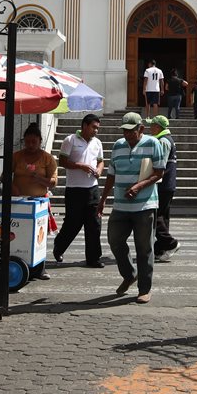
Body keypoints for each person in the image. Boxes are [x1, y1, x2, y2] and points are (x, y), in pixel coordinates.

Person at [98, 112, 164, 304]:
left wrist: (138, 186)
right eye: (125, 131)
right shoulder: (118, 145)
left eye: (131, 131)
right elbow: (111, 174)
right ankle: (129, 274)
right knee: (114, 240)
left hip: (145, 204)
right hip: (120, 205)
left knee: (144, 248)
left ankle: (144, 288)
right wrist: (103, 200)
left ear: (141, 129)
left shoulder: (153, 143)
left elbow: (159, 172)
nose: (127, 134)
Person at [54, 114, 105, 268]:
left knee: (94, 223)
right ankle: (59, 246)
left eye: (97, 128)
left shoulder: (97, 143)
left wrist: (99, 170)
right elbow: (62, 161)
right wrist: (80, 166)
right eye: (93, 127)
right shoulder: (70, 140)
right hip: (74, 189)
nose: (96, 131)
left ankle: (93, 258)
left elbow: (101, 161)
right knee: (72, 223)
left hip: (92, 189)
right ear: (84, 125)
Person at [11, 122, 57, 280]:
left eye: (34, 142)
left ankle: (40, 268)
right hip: (18, 202)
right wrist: (13, 187)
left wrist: (40, 179)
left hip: (39, 203)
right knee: (19, 235)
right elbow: (5, 176)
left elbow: (53, 182)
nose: (30, 145)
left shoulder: (47, 158)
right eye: (28, 142)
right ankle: (18, 263)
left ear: (40, 141)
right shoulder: (16, 156)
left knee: (39, 236)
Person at [147, 115, 180, 261]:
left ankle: (170, 243)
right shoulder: (165, 139)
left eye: (152, 125)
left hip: (163, 184)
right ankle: (161, 249)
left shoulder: (163, 141)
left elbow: (161, 164)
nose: (150, 128)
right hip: (167, 184)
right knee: (163, 217)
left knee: (156, 216)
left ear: (158, 127)